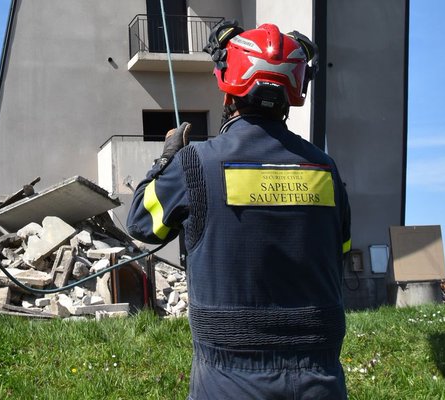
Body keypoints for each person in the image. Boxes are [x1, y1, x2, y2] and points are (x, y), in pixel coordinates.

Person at [127, 20, 351, 400]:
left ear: (227, 87)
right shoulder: (324, 169)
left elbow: (143, 223)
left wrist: (167, 158)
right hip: (320, 378)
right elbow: (340, 251)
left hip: (229, 380)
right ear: (294, 91)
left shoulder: (195, 163)